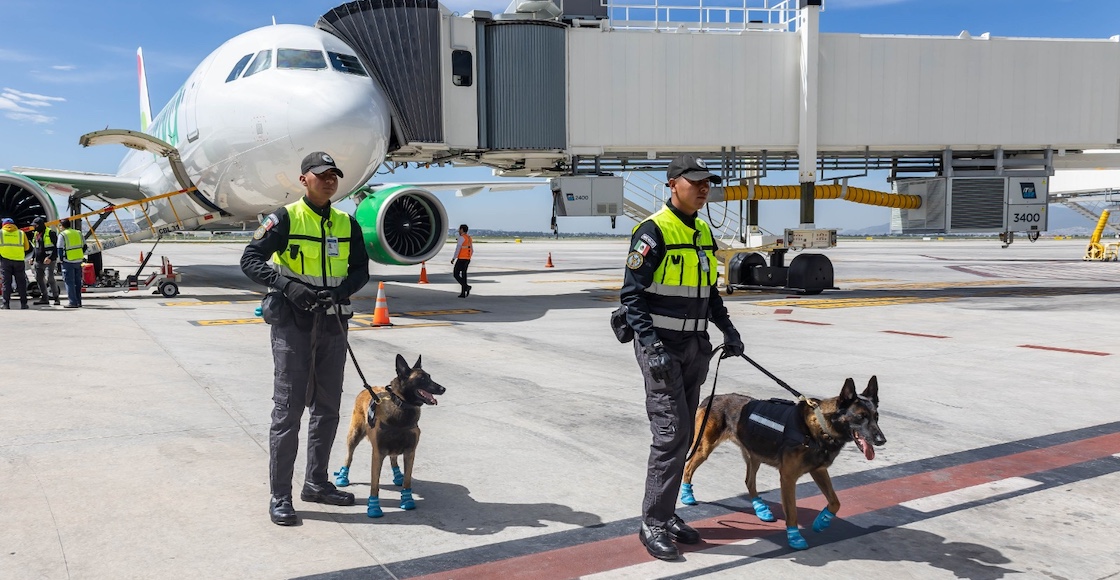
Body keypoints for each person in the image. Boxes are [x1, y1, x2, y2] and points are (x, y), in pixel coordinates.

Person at [619, 154, 745, 561]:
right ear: (673, 183)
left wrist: (728, 329)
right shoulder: (653, 231)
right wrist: (652, 345)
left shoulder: (703, 231)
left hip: (695, 347)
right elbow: (631, 296)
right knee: (670, 434)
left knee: (687, 433)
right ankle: (653, 523)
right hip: (662, 348)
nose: (704, 188)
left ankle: (667, 513)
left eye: (707, 182)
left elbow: (709, 292)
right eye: (695, 181)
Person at [240, 151, 370, 526]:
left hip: (332, 324)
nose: (329, 180)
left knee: (327, 409)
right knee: (288, 412)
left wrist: (340, 291)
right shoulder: (285, 217)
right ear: (304, 179)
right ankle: (280, 495)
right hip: (293, 325)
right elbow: (250, 259)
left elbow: (360, 270)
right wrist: (287, 285)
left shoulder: (347, 223)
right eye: (321, 174)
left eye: (334, 175)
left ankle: (316, 483)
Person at [0, 217, 31, 310]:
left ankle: (6, 304)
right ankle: (24, 304)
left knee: (6, 283)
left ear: (3, 225)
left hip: (6, 261)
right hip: (19, 261)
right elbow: (27, 247)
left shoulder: (1, 233)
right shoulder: (21, 233)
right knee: (21, 283)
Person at [30, 218, 60, 306]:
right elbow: (35, 247)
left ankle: (56, 298)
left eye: (36, 225)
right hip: (38, 260)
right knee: (39, 278)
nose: (34, 227)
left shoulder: (50, 233)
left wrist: (50, 257)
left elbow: (56, 247)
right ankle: (44, 298)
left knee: (50, 278)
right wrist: (32, 258)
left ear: (40, 225)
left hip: (49, 261)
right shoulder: (36, 234)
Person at [57, 218, 85, 309]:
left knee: (69, 282)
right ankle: (78, 302)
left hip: (68, 261)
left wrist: (61, 260)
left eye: (60, 226)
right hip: (78, 260)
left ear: (62, 226)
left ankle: (73, 302)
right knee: (77, 282)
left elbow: (60, 248)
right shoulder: (78, 233)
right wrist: (79, 254)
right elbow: (84, 246)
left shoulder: (62, 235)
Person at [450, 223, 473, 298]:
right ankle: (463, 293)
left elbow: (458, 249)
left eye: (459, 229)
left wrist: (454, 258)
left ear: (462, 230)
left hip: (461, 259)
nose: (459, 231)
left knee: (456, 274)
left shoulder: (461, 238)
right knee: (464, 275)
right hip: (467, 259)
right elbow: (472, 250)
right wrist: (469, 256)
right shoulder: (469, 238)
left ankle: (466, 287)